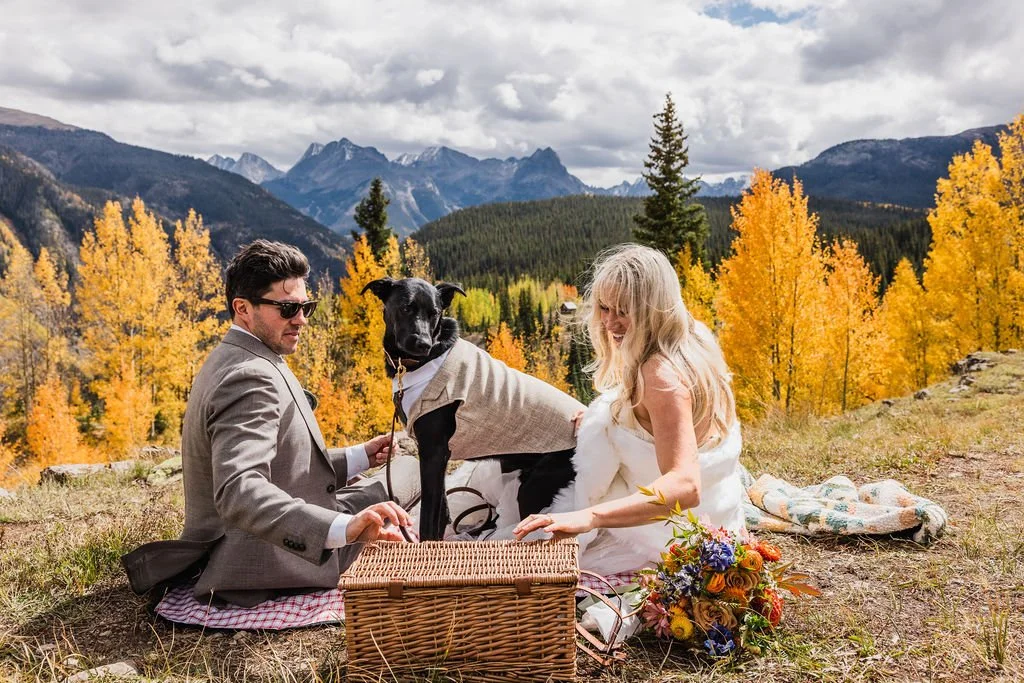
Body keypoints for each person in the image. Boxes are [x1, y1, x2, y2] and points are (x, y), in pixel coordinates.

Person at [123, 240, 412, 607]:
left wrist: (357, 457)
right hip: (264, 555)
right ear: (243, 308)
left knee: (405, 472)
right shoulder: (249, 375)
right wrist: (340, 529)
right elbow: (239, 490)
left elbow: (279, 462)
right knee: (413, 478)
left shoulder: (240, 355)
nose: (302, 319)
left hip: (282, 523)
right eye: (288, 307)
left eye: (306, 306)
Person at [513, 244, 745, 576]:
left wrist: (590, 516)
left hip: (660, 534)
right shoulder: (695, 336)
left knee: (530, 506)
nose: (610, 323)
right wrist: (605, 417)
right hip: (719, 510)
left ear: (654, 308)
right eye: (604, 308)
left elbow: (686, 486)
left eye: (623, 311)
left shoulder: (660, 377)